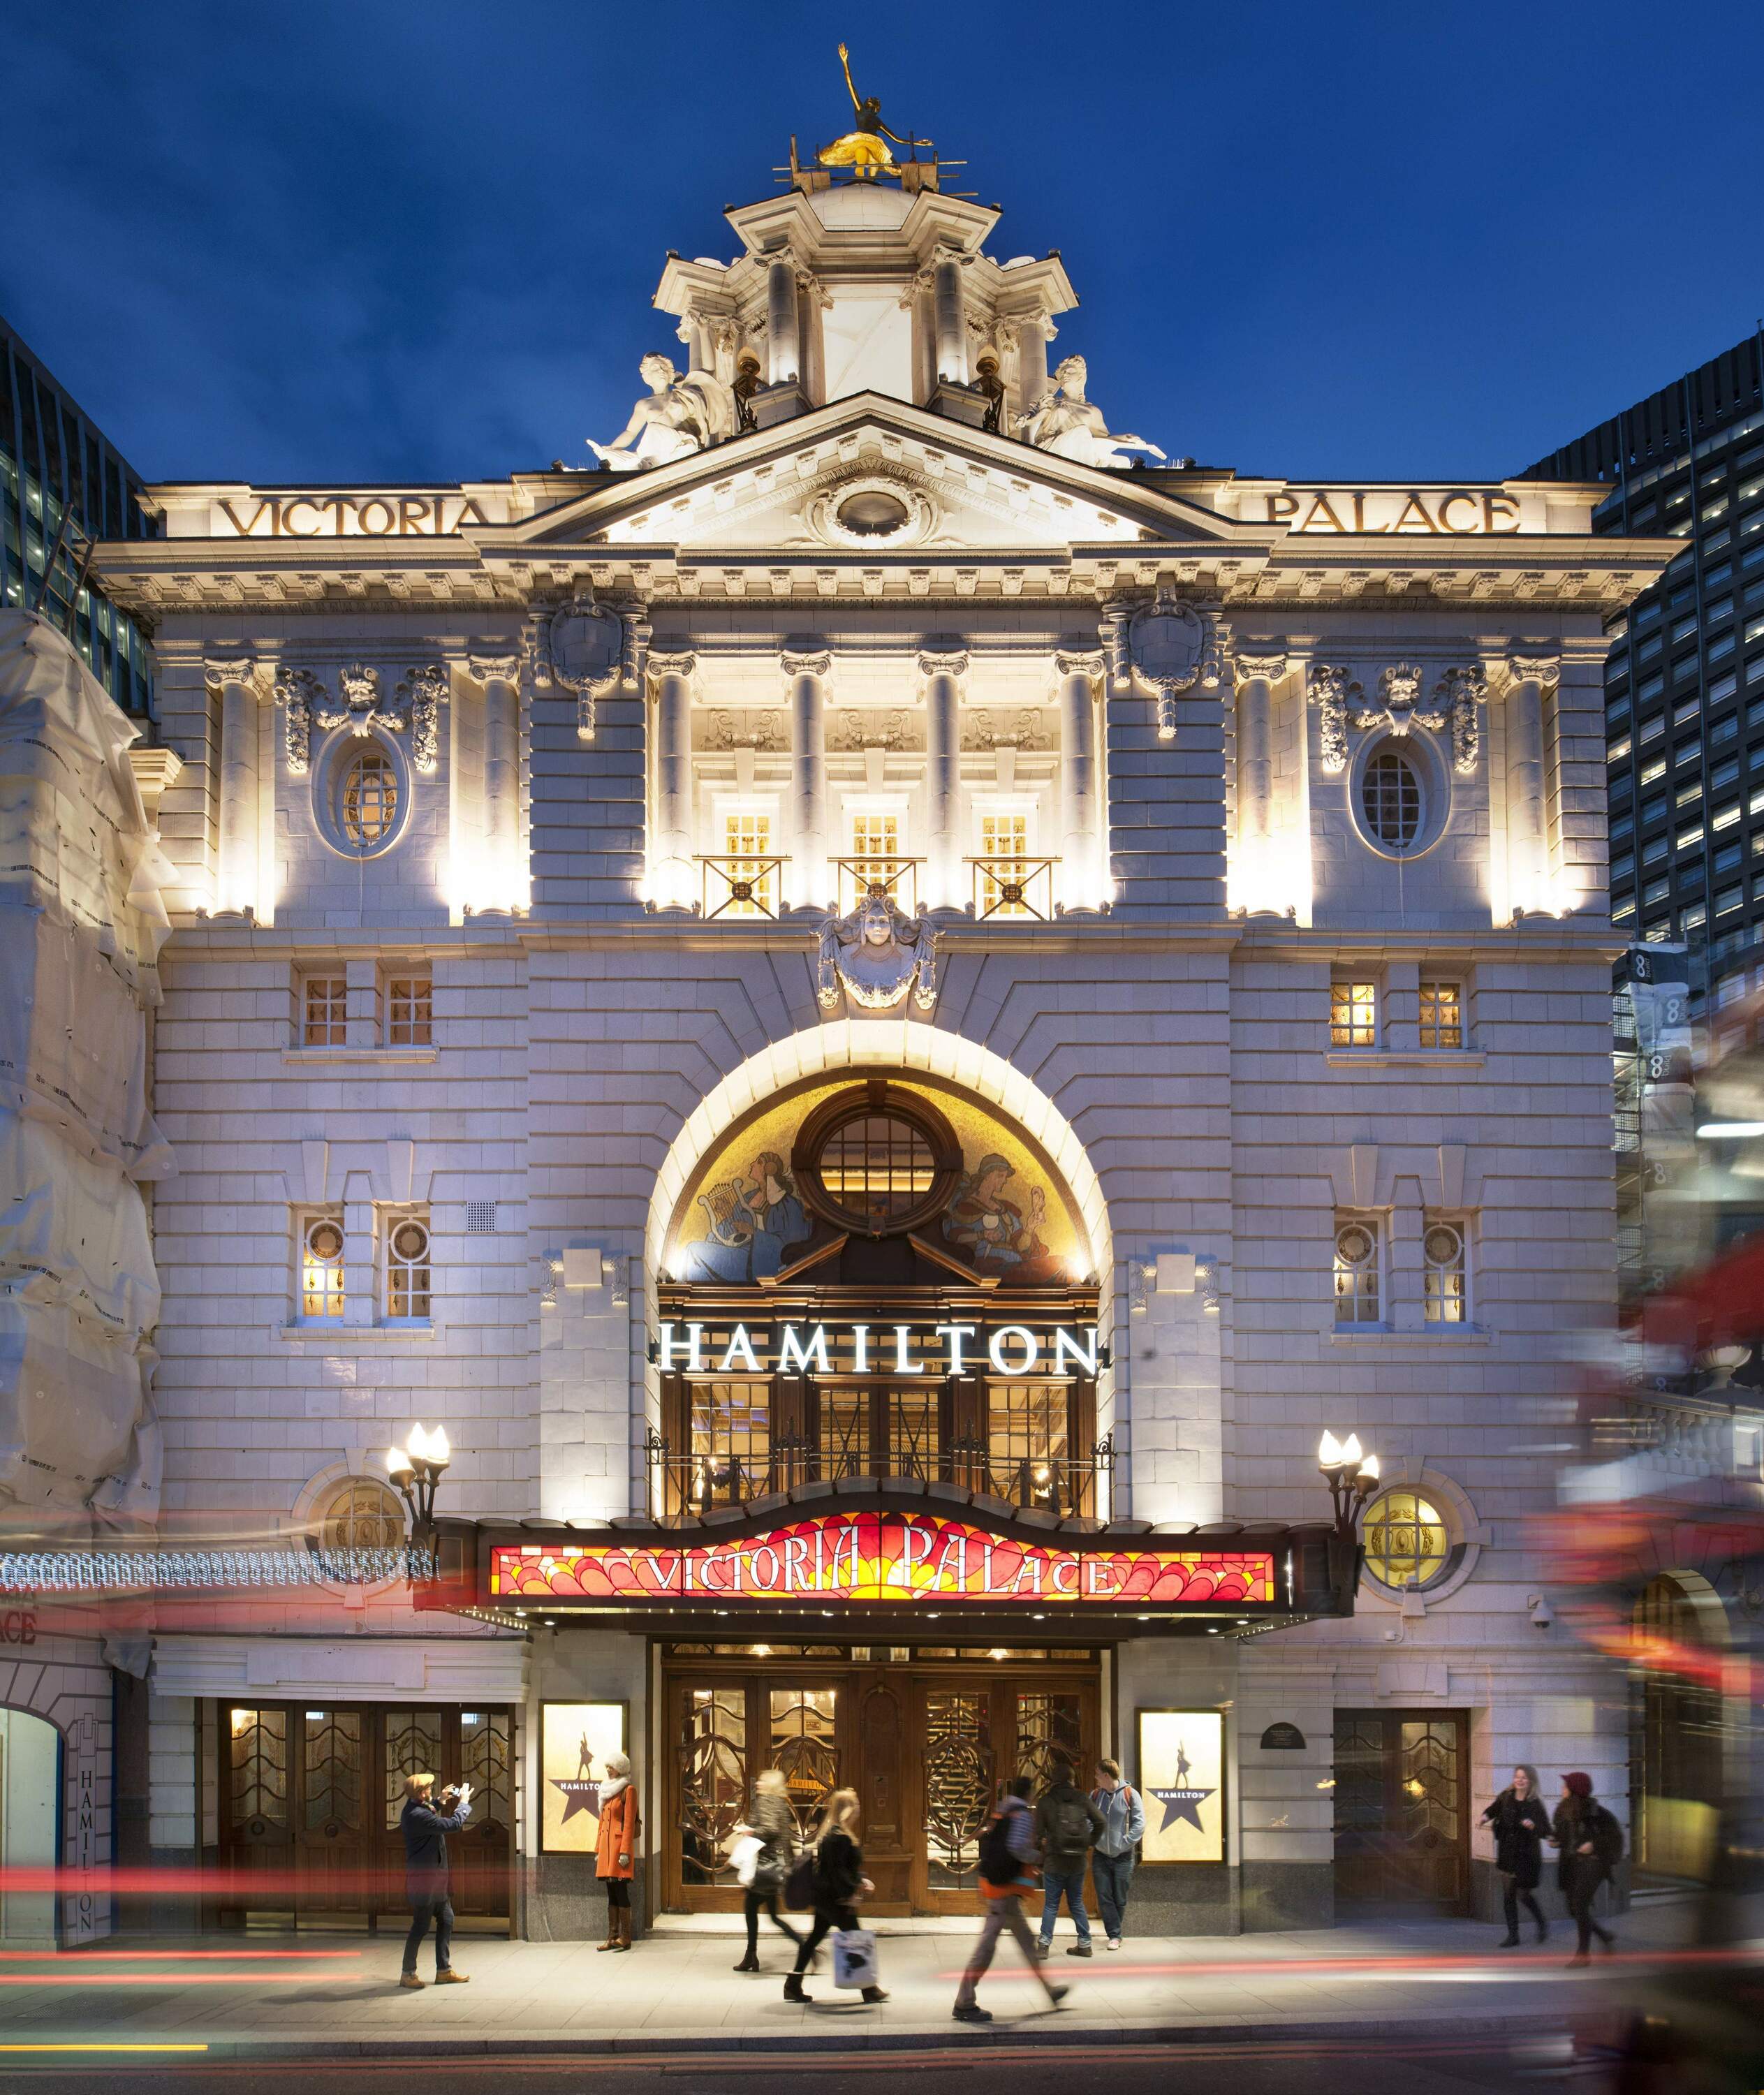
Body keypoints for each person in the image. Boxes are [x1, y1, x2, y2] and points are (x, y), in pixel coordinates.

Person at [953, 1777, 1070, 2023]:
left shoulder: (1002, 1811)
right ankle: (964, 2002)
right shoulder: (1021, 1815)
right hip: (1003, 1894)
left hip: (1002, 1892)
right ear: (1030, 1793)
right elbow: (1017, 1848)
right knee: (986, 1949)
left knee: (1028, 1942)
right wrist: (1037, 1857)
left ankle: (1051, 1990)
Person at [784, 1788, 887, 2005]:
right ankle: (869, 1989)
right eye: (856, 1804)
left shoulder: (832, 1833)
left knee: (814, 1939)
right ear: (847, 1809)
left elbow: (839, 1868)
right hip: (836, 1899)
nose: (858, 1808)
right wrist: (851, 1891)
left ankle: (793, 1984)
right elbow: (837, 1871)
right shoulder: (840, 1837)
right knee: (856, 1938)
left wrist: (859, 1880)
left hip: (825, 1897)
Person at [398, 1771, 472, 1989]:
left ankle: (444, 1971)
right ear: (421, 1793)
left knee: (447, 1919)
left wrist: (440, 1800)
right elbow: (453, 1825)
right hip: (426, 1883)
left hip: (436, 1881)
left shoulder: (418, 1808)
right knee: (420, 1927)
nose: (432, 1790)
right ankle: (407, 1973)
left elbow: (431, 1812)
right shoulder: (416, 1815)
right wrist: (464, 1803)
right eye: (429, 1789)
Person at [1034, 1752, 1106, 1957]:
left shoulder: (1046, 1801)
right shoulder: (1082, 1798)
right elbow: (1101, 1822)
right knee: (1076, 1902)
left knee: (1051, 1904)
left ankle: (1044, 1946)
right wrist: (1089, 1843)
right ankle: (1085, 1945)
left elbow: (1038, 1833)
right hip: (1077, 1862)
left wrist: (1042, 1845)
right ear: (1072, 1780)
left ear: (1053, 1780)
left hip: (1055, 1861)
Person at [1552, 1771, 1624, 1966]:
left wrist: (1594, 1845)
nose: (1562, 1788)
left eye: (1566, 1785)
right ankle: (1604, 1936)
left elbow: (1615, 1838)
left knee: (1580, 1905)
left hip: (1593, 1865)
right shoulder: (1561, 1811)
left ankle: (1583, 1955)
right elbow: (1562, 1835)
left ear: (1574, 1790)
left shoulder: (1597, 1813)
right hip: (1571, 1865)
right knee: (1574, 1909)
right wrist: (1556, 1840)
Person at [735, 1768, 802, 1973]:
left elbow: (770, 1830)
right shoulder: (781, 1803)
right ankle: (804, 1947)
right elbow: (784, 1835)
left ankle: (751, 1956)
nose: (758, 1784)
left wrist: (750, 1831)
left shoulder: (765, 1802)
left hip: (765, 1866)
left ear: (770, 1785)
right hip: (776, 1867)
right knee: (773, 1916)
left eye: (762, 1781)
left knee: (751, 1910)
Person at [1480, 1763, 1551, 1948]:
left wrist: (1533, 1826)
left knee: (1523, 1894)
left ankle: (1542, 1921)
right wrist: (1485, 1817)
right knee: (1508, 1895)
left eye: (1524, 1778)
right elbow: (1493, 1809)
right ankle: (1513, 1935)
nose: (1519, 1780)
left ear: (1530, 1782)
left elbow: (1546, 1830)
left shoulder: (1535, 1803)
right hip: (1507, 1853)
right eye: (1517, 1776)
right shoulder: (1506, 1797)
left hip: (1527, 1857)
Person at [1089, 1757, 1145, 1950]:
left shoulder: (1131, 1794)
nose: (1095, 1778)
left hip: (1123, 1857)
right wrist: (1093, 1838)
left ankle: (1116, 1933)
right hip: (1100, 1855)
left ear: (1106, 1775)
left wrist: (1125, 1843)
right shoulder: (1095, 1795)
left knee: (1120, 1896)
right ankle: (1114, 1934)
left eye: (1097, 1775)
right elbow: (1088, 1820)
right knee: (1104, 1895)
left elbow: (1139, 1824)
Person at [596, 1751, 640, 1953]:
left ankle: (626, 1937)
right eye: (607, 1766)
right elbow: (602, 1822)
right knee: (611, 1892)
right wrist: (597, 1849)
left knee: (621, 1892)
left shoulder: (628, 1790)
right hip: (606, 1849)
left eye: (611, 1767)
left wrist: (625, 1852)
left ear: (620, 1768)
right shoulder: (606, 1791)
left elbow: (629, 1823)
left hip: (619, 1849)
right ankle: (612, 1936)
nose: (608, 1770)